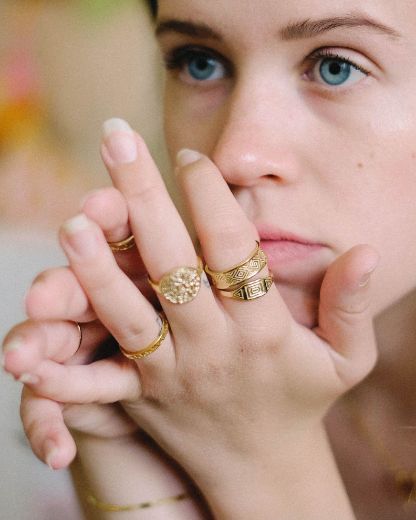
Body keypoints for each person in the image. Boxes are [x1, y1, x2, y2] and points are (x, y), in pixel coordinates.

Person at [3, 0, 416, 518]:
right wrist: (137, 470)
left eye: (336, 67)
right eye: (200, 61)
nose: (233, 155)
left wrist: (262, 462)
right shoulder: (161, 376)